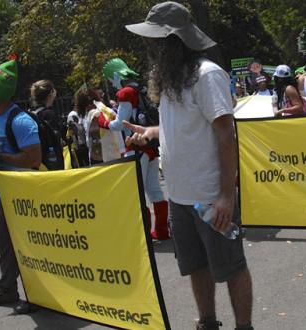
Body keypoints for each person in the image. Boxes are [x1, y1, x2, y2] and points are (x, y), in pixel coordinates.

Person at [125, 2, 254, 329]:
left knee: (232, 266)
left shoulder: (207, 75)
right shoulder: (171, 78)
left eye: (155, 40)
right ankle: (207, 322)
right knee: (196, 266)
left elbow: (226, 134)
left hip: (211, 198)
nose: (149, 46)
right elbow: (182, 126)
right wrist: (152, 132)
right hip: (180, 199)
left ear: (174, 41)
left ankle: (244, 327)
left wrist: (227, 194)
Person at [0, 57, 42, 314]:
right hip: (6, 197)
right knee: (3, 244)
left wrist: (0, 156)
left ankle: (38, 295)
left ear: (3, 88)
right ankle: (7, 289)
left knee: (30, 248)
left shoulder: (21, 120)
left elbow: (34, 159)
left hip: (27, 196)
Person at [100, 58, 170, 240]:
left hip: (136, 146)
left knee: (137, 190)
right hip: (151, 146)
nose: (110, 83)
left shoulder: (125, 93)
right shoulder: (141, 88)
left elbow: (120, 124)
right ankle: (162, 230)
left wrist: (104, 122)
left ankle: (144, 234)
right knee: (154, 189)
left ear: (116, 76)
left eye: (110, 79)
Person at [75, 86, 104, 165]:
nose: (89, 105)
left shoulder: (105, 113)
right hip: (94, 159)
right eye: (86, 103)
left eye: (91, 101)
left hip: (109, 157)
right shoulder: (85, 118)